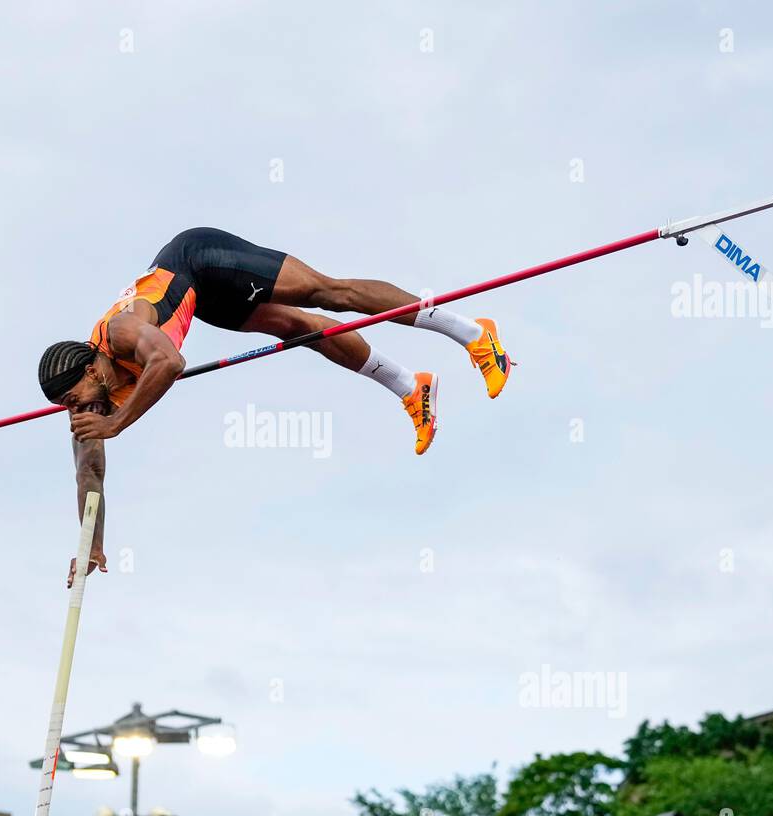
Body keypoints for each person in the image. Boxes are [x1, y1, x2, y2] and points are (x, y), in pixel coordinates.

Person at [39, 227, 513, 583]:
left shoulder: (121, 334)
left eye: (71, 399)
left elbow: (169, 360)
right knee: (298, 328)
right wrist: (92, 545)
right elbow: (89, 473)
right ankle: (411, 387)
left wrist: (119, 423)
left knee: (330, 293)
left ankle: (473, 333)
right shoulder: (95, 401)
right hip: (200, 299)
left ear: (91, 371)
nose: (72, 410)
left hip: (197, 257)